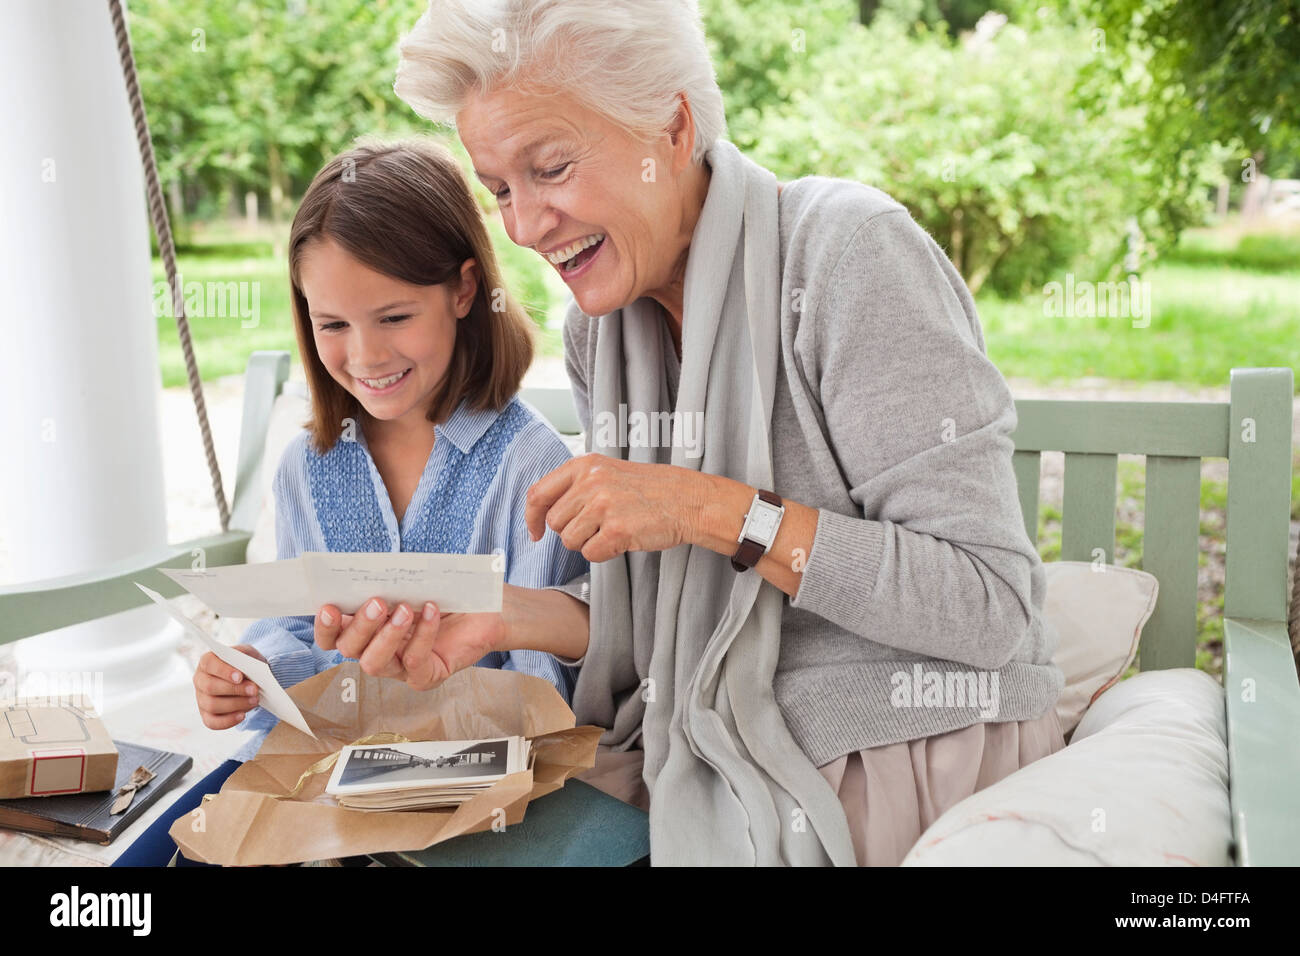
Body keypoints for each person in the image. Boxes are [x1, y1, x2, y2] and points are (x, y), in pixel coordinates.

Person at [373, 0, 1068, 867]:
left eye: (551, 168)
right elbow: (668, 623)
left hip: (911, 732)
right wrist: (496, 617)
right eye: (501, 190)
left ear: (672, 126)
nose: (523, 226)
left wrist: (715, 510)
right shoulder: (602, 326)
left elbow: (989, 607)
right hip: (712, 734)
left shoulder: (850, 256)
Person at [112, 136, 588, 866]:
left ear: (464, 291)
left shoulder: (531, 466)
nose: (364, 356)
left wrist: (439, 674)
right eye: (332, 324)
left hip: (474, 791)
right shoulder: (310, 465)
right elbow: (294, 631)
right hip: (325, 767)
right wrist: (246, 671)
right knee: (145, 868)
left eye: (394, 318)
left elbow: (548, 684)